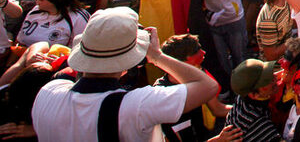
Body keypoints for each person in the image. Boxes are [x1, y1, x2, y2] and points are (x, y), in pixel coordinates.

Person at [31, 7, 218, 141]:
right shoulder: (136, 105)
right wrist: (156, 56)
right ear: (132, 59)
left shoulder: (47, 92)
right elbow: (208, 86)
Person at [16, 0, 90, 48]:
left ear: (56, 1)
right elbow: (19, 43)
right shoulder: (36, 11)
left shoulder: (78, 18)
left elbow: (84, 48)